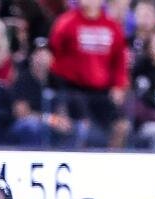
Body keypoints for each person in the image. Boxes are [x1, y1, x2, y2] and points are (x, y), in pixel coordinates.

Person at [48, 0, 129, 147]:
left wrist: (119, 86)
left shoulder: (112, 26)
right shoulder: (66, 22)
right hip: (73, 89)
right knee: (86, 129)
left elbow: (120, 61)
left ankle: (114, 160)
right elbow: (53, 53)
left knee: (121, 126)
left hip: (102, 90)